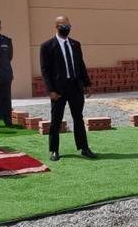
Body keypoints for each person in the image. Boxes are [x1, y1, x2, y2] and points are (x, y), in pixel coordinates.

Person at [39, 16, 97, 161]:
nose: (67, 29)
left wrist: (87, 84)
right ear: (57, 27)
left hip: (75, 87)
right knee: (56, 119)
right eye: (64, 26)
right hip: (58, 89)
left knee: (78, 118)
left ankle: (84, 147)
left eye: (69, 26)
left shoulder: (75, 44)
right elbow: (45, 70)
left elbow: (81, 65)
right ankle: (55, 150)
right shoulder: (47, 46)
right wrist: (50, 90)